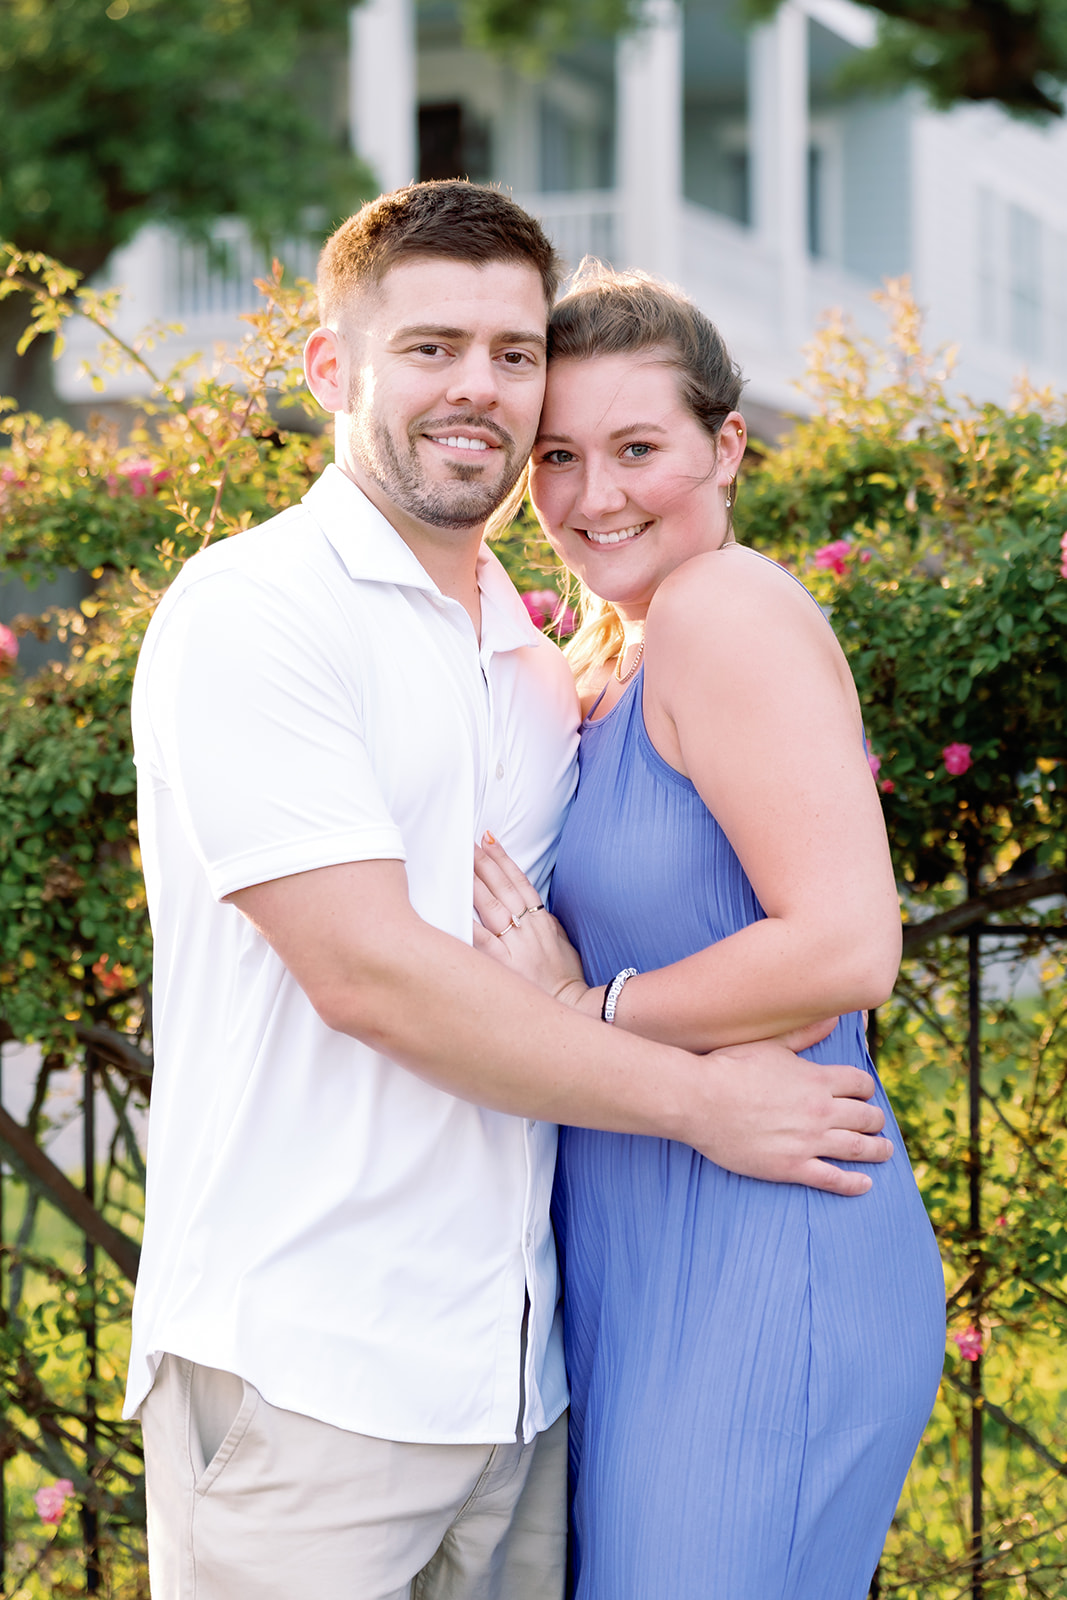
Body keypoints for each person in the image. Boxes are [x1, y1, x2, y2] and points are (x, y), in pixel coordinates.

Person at [125, 184, 894, 1600]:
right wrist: (699, 1096)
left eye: (513, 352)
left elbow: (797, 929)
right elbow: (369, 974)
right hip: (313, 1375)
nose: (479, 387)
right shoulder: (256, 611)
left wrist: (597, 1007)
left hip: (521, 1384)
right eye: (429, 348)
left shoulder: (537, 662)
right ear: (329, 368)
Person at [473, 265, 946, 1600]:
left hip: (765, 1240)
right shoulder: (597, 657)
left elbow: (848, 946)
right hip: (634, 1246)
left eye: (638, 448)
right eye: (557, 455)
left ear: (726, 445)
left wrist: (583, 1019)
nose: (593, 494)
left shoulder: (723, 610)